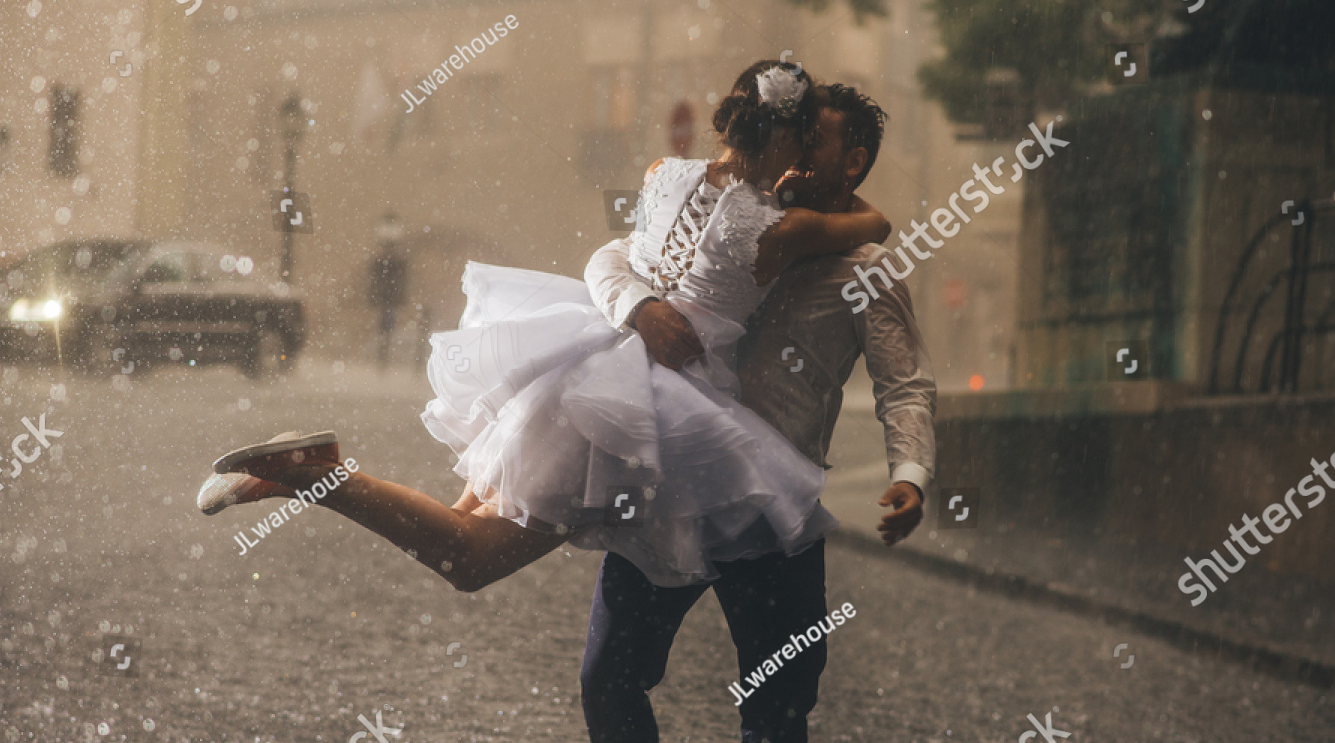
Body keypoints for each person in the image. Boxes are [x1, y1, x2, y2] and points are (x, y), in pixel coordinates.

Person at [196, 61, 892, 599]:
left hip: (581, 356)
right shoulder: (781, 228)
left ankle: (309, 473)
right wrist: (805, 187)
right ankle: (312, 475)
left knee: (461, 530)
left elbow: (623, 252)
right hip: (639, 400)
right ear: (789, 139)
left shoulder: (664, 173)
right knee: (471, 556)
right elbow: (873, 224)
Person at [559, 82, 937, 743]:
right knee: (608, 675)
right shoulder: (738, 213)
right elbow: (618, 254)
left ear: (853, 164)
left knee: (778, 703)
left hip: (773, 517)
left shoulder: (865, 270)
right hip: (678, 490)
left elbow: (905, 381)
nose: (796, 161)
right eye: (793, 141)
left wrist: (909, 473)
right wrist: (639, 307)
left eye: (819, 146)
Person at [367, 212, 409, 367]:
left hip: (388, 300)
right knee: (386, 326)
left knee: (386, 327)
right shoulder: (387, 264)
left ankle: (382, 362)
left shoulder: (394, 264)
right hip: (387, 300)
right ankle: (382, 362)